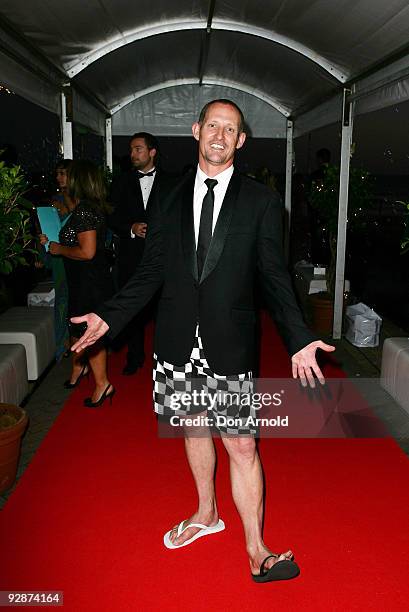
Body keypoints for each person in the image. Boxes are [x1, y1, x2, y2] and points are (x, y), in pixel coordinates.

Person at [71, 100, 335, 581]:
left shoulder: (260, 201)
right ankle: (206, 513)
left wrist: (298, 337)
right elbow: (150, 271)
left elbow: (275, 277)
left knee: (241, 445)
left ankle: (257, 550)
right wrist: (108, 317)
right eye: (212, 124)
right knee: (192, 428)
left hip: (228, 339)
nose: (219, 134)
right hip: (175, 338)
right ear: (196, 131)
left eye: (229, 128)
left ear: (241, 140)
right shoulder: (167, 197)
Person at [40, 160, 114, 407]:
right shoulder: (83, 209)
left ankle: (103, 384)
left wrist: (59, 248)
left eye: (69, 176)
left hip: (89, 283)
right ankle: (91, 376)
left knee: (87, 333)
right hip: (83, 281)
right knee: (82, 331)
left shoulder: (85, 210)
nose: (64, 180)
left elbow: (87, 252)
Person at [108, 132, 166, 375]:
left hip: (163, 257)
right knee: (132, 308)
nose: (132, 154)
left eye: (138, 149)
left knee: (165, 309)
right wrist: (130, 228)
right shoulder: (120, 182)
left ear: (152, 152)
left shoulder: (171, 181)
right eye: (131, 150)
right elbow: (110, 216)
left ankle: (165, 358)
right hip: (130, 256)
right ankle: (135, 356)